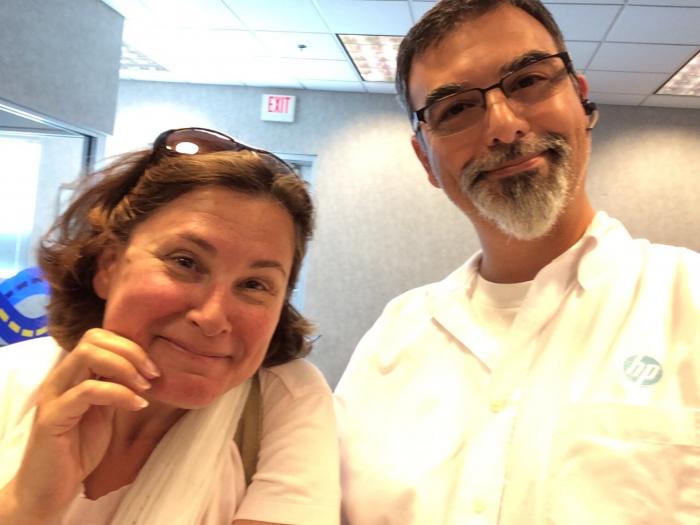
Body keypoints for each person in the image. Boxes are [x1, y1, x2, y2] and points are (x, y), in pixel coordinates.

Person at [335, 1, 700, 523]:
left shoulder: (688, 300)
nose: (504, 127)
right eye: (455, 109)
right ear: (425, 160)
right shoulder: (392, 339)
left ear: (581, 100)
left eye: (528, 81)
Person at [0, 128, 340, 525]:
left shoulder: (285, 400)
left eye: (254, 285)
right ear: (109, 266)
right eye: (185, 262)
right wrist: (30, 502)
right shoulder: (11, 382)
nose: (212, 317)